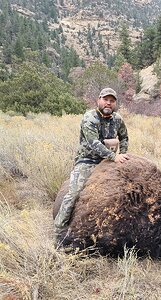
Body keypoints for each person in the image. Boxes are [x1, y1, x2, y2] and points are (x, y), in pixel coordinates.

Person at [54, 87, 129, 239]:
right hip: (87, 161)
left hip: (108, 161)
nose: (108, 103)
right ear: (98, 101)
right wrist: (113, 157)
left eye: (112, 101)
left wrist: (123, 154)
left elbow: (124, 137)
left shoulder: (118, 119)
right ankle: (59, 228)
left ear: (115, 104)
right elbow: (93, 143)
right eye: (105, 100)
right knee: (74, 193)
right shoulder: (89, 117)